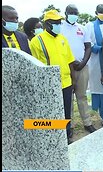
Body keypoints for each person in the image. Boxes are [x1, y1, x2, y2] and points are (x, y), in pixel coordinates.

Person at [29, 9, 75, 144]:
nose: (58, 25)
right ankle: (55, 138)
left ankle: (67, 136)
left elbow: (70, 60)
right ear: (47, 24)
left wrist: (73, 80)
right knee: (52, 113)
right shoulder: (36, 41)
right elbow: (35, 65)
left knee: (66, 111)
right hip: (49, 85)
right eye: (55, 23)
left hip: (66, 82)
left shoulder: (62, 39)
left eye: (59, 22)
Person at [61, 4, 96, 135]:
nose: (73, 15)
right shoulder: (60, 28)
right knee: (67, 98)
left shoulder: (82, 28)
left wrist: (83, 62)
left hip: (82, 67)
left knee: (81, 96)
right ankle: (68, 127)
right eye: (71, 12)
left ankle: (87, 123)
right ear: (65, 13)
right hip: (65, 68)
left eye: (76, 12)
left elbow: (88, 47)